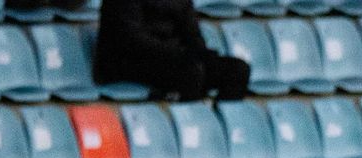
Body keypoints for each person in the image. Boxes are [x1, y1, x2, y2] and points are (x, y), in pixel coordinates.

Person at [94, 0, 249, 101]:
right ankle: (189, 125)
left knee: (236, 70)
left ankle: (220, 129)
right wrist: (179, 53)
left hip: (172, 57)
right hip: (127, 61)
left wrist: (202, 54)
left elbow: (192, 34)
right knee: (190, 71)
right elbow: (130, 38)